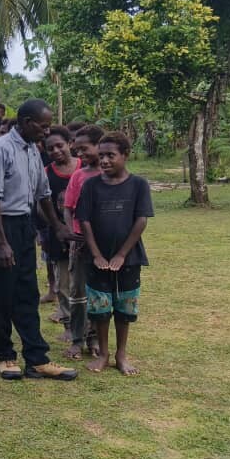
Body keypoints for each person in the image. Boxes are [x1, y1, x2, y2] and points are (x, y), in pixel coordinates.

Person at [0, 99, 78, 381]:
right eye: (43, 126)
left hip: (23, 226)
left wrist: (57, 226)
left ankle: (37, 358)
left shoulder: (33, 149)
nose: (46, 132)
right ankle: (5, 355)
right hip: (0, 226)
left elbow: (43, 193)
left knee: (26, 292)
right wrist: (0, 242)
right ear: (25, 122)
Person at [76, 132, 153, 376]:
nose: (105, 161)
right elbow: (85, 221)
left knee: (125, 306)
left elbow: (141, 220)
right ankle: (104, 354)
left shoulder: (138, 185)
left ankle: (121, 354)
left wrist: (121, 254)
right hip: (96, 258)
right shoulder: (91, 185)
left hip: (128, 258)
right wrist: (96, 254)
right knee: (100, 306)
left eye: (111, 155)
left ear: (125, 155)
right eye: (101, 156)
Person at [62, 125, 105, 359]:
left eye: (85, 149)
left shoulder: (111, 176)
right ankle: (77, 339)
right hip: (80, 244)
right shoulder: (78, 176)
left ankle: (96, 339)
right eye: (77, 150)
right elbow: (68, 209)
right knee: (77, 292)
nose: (80, 154)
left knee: (100, 293)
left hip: (105, 245)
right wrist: (72, 235)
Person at [42, 127, 80, 336]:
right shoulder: (46, 173)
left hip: (84, 237)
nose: (56, 151)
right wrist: (57, 225)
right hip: (58, 236)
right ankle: (69, 325)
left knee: (84, 284)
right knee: (63, 284)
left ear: (70, 144)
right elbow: (40, 204)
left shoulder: (85, 169)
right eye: (50, 148)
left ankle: (89, 329)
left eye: (60, 145)